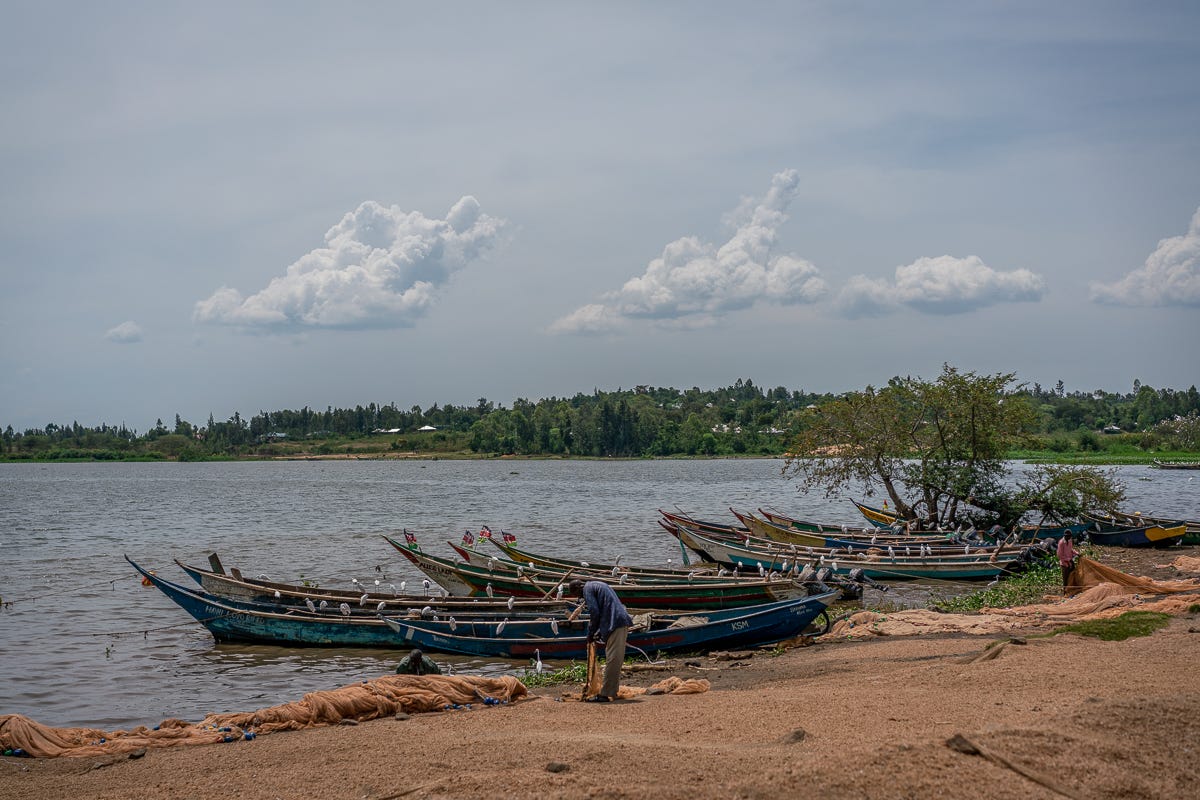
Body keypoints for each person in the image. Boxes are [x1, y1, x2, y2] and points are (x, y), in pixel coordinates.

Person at [569, 579, 633, 703]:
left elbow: (595, 611)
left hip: (616, 622)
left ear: (579, 588)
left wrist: (591, 632)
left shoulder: (587, 589)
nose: (579, 597)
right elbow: (604, 608)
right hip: (617, 621)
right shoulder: (596, 585)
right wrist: (599, 632)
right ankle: (611, 691)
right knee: (615, 659)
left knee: (613, 660)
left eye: (576, 594)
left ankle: (604, 695)